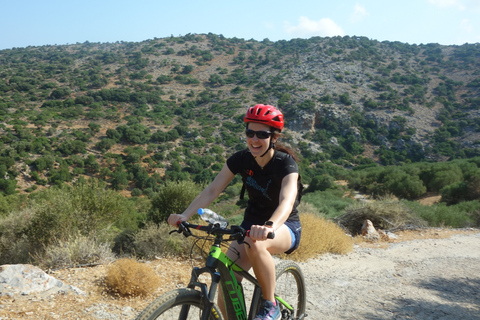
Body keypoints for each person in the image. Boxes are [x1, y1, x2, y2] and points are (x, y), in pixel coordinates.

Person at [167, 104, 302, 320]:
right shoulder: (241, 159)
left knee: (256, 244)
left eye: (262, 134)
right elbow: (212, 189)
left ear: (274, 137)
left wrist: (269, 227)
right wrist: (185, 215)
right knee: (226, 277)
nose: (254, 139)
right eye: (250, 133)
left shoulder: (285, 164)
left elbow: (287, 201)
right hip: (250, 226)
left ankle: (271, 305)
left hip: (283, 226)